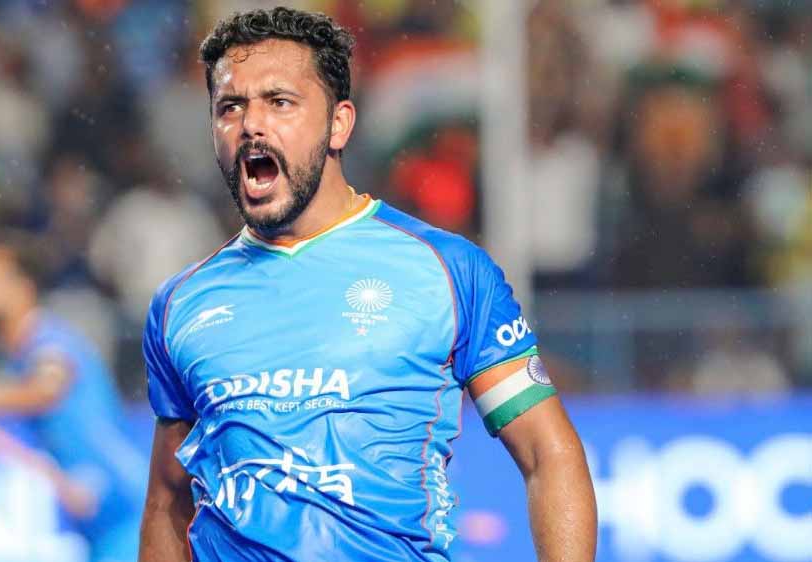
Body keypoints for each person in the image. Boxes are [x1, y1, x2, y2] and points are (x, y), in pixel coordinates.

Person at [139, 7, 596, 562]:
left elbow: (548, 454)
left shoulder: (449, 270)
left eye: (279, 102)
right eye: (230, 107)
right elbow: (168, 501)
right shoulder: (181, 304)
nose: (251, 124)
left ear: (339, 123)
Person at [0, 229, 147, 562]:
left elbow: (45, 390)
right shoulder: (13, 363)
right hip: (97, 530)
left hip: (130, 525)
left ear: (23, 287)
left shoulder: (50, 341)